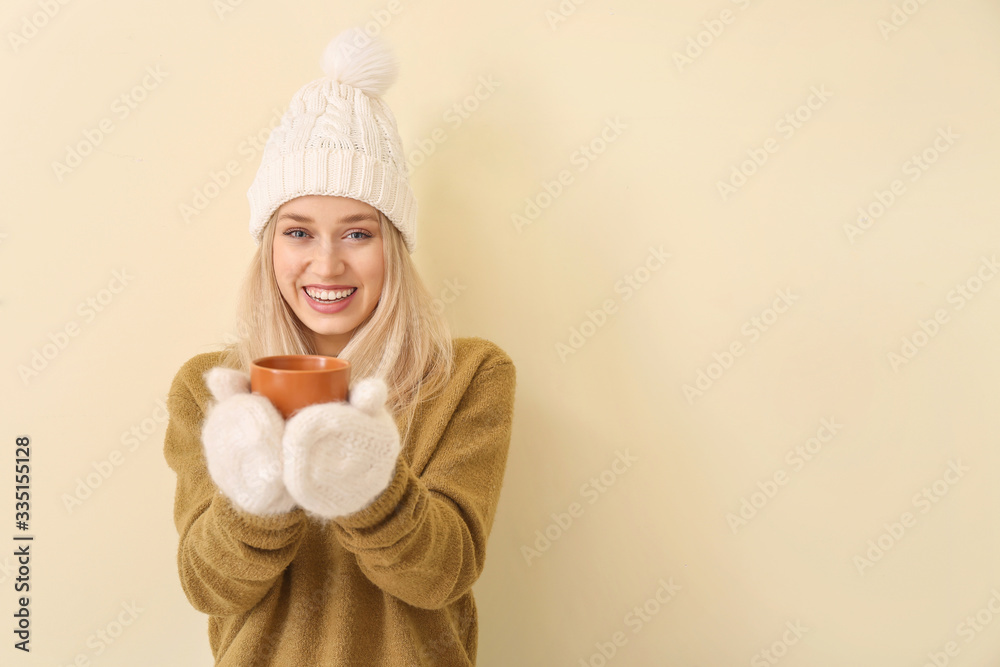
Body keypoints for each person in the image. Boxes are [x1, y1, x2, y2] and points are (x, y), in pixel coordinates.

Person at [162, 26, 517, 666]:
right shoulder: (210, 388)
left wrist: (371, 484)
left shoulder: (468, 375)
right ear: (270, 247)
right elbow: (207, 586)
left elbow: (443, 576)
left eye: (357, 234)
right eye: (299, 232)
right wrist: (256, 500)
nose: (326, 266)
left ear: (394, 248)